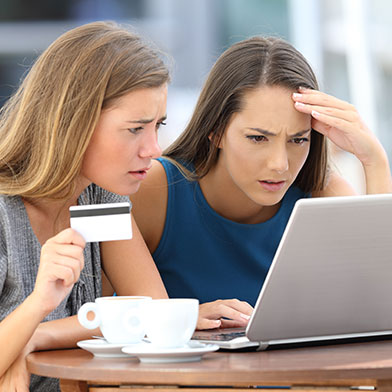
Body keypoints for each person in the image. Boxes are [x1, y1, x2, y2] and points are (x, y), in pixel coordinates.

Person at [130, 36, 392, 326]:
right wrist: (179, 320)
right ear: (215, 131)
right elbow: (97, 320)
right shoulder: (155, 190)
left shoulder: (322, 196)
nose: (280, 164)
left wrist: (375, 162)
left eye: (298, 139)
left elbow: (381, 306)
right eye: (258, 138)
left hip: (295, 372)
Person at [0, 21, 175, 392]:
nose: (154, 149)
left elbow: (150, 311)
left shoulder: (101, 194)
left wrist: (33, 337)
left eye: (158, 125)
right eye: (135, 129)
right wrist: (37, 305)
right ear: (73, 122)